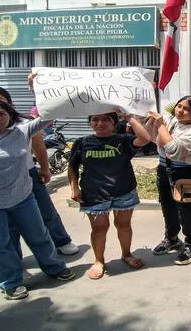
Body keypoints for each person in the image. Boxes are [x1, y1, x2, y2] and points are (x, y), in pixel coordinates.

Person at [0, 98, 75, 300]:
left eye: (1, 114)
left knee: (40, 236)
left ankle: (54, 267)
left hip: (23, 198)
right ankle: (10, 283)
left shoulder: (21, 132)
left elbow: (49, 114)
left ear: (10, 115)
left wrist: (38, 88)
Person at [0, 85, 79, 256]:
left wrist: (44, 169)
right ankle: (15, 258)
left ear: (8, 101)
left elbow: (38, 145)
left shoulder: (23, 123)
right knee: (9, 224)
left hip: (27, 173)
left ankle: (61, 240)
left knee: (46, 211)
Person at [68, 111, 151, 279]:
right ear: (90, 122)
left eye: (106, 119)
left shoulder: (123, 140)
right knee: (99, 228)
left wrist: (128, 117)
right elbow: (72, 167)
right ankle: (99, 261)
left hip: (124, 191)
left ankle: (127, 254)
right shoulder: (82, 142)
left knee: (124, 225)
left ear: (114, 122)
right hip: (93, 194)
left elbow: (145, 138)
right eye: (95, 119)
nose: (100, 123)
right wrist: (74, 188)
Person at [149, 96, 191, 265]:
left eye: (186, 109)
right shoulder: (171, 121)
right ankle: (172, 238)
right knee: (167, 205)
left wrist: (160, 125)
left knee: (186, 210)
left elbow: (173, 149)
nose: (180, 110)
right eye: (179, 106)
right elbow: (151, 135)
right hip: (164, 169)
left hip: (186, 172)